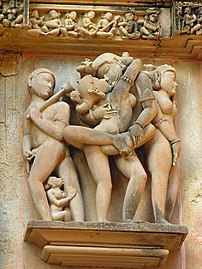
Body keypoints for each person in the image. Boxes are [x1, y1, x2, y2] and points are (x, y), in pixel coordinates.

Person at [63, 53, 158, 222]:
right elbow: (136, 63)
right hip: (102, 141)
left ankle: (128, 219)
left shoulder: (118, 91)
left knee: (139, 175)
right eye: (99, 78)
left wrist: (120, 62)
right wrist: (92, 112)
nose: (104, 78)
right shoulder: (117, 92)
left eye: (106, 71)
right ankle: (102, 221)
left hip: (118, 139)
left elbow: (136, 63)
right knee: (104, 182)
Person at [23, 68, 84, 221]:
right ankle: (78, 223)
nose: (49, 85)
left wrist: (38, 119)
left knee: (35, 180)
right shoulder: (29, 111)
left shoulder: (59, 106)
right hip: (46, 150)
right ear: (31, 80)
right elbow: (27, 134)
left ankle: (47, 220)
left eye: (52, 83)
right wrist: (26, 148)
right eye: (45, 80)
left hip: (52, 145)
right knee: (71, 185)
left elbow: (59, 134)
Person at [142, 64, 181, 223]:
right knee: (160, 175)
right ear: (159, 78)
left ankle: (166, 217)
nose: (175, 83)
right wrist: (174, 140)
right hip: (160, 140)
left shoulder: (168, 98)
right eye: (172, 78)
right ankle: (159, 218)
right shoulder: (155, 95)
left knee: (174, 179)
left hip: (171, 141)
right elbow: (157, 119)